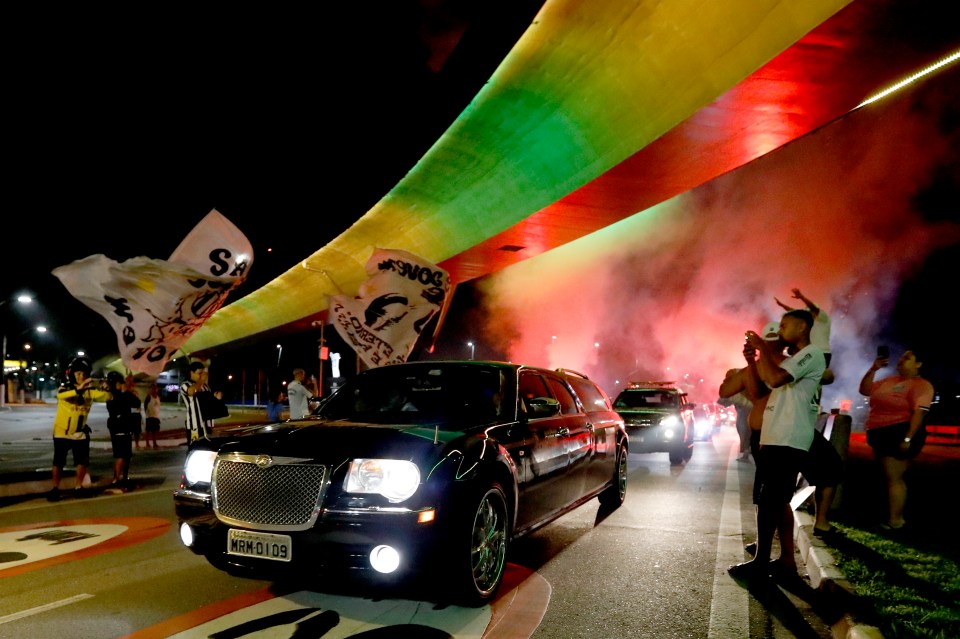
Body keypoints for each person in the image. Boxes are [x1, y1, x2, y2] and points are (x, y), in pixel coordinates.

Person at [728, 309, 825, 581]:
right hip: (775, 437)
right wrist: (753, 361)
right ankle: (785, 561)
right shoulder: (790, 360)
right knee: (774, 499)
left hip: (788, 438)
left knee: (770, 500)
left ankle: (761, 562)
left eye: (785, 324)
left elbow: (776, 379)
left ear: (802, 327)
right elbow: (759, 392)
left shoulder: (811, 353)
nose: (780, 329)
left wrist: (762, 348)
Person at [858, 347, 933, 531]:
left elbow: (919, 413)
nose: (901, 360)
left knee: (894, 477)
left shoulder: (921, 385)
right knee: (888, 476)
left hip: (898, 431)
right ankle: (890, 515)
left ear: (918, 364)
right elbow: (865, 390)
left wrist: (907, 439)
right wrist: (873, 369)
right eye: (901, 357)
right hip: (879, 432)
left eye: (907, 357)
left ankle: (896, 520)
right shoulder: (890, 380)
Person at [49, 356, 112, 501]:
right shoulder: (66, 387)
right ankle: (55, 488)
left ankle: (79, 486)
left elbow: (106, 397)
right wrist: (79, 389)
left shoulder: (89, 392)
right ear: (71, 374)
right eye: (77, 373)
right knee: (58, 462)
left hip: (80, 432)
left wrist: (107, 388)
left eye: (83, 374)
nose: (81, 376)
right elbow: (61, 395)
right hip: (62, 432)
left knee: (82, 462)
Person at [775, 287, 834, 385]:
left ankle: (814, 396)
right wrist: (782, 305)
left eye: (810, 312)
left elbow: (813, 308)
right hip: (810, 351)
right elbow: (794, 314)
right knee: (806, 380)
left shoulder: (823, 318)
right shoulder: (808, 322)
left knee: (815, 381)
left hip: (822, 352)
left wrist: (802, 297)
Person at [105, 371, 139, 488]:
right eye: (120, 383)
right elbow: (133, 402)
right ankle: (116, 479)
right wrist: (126, 392)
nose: (122, 385)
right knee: (121, 455)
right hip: (119, 428)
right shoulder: (113, 395)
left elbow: (136, 403)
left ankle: (124, 477)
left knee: (126, 455)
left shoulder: (121, 394)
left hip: (124, 427)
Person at [718, 368, 752, 462]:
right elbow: (722, 400)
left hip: (750, 416)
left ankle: (747, 452)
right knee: (744, 434)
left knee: (747, 434)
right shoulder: (735, 391)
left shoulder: (748, 387)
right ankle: (746, 452)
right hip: (743, 416)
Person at [180, 361, 219, 441]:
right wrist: (201, 380)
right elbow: (191, 392)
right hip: (195, 425)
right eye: (199, 373)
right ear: (192, 372)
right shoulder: (185, 385)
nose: (202, 376)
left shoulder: (205, 386)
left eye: (202, 373)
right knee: (196, 450)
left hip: (207, 424)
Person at [125, 375, 143, 449]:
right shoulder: (125, 392)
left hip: (136, 413)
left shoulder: (135, 392)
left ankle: (137, 444)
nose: (131, 383)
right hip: (129, 413)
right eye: (129, 381)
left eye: (132, 381)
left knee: (137, 431)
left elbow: (139, 404)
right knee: (128, 431)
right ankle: (128, 445)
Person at [143, 384, 162, 449]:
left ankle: (154, 443)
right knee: (148, 431)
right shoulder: (149, 397)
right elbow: (145, 406)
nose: (154, 390)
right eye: (153, 388)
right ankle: (147, 443)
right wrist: (147, 413)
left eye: (155, 388)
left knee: (155, 430)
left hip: (156, 416)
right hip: (150, 416)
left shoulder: (158, 397)